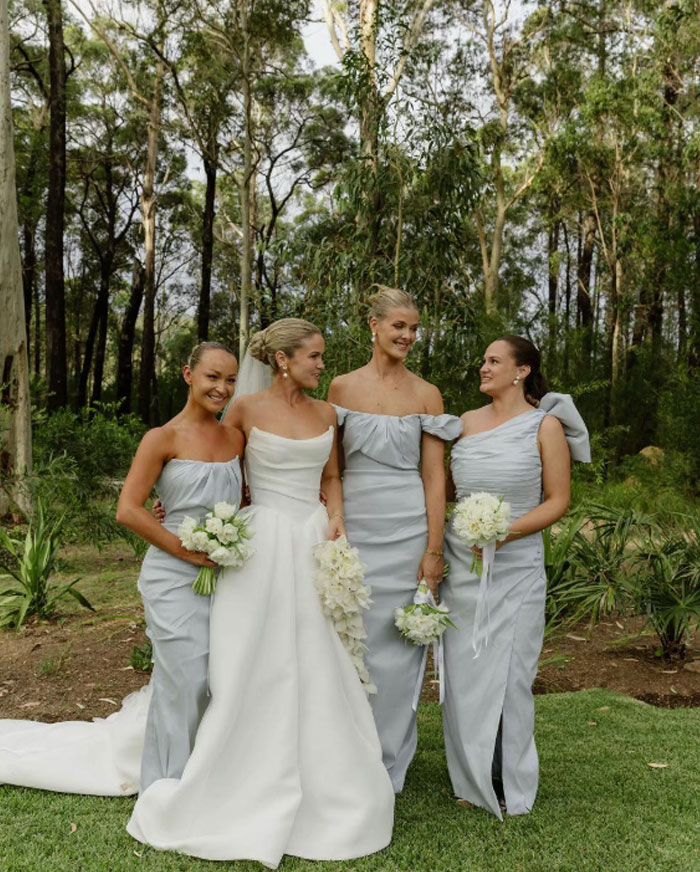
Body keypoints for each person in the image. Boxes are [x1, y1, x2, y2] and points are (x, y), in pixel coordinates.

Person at [127, 318, 394, 867]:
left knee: (318, 656)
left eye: (322, 356)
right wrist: (180, 513)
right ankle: (227, 764)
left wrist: (336, 520)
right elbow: (219, 465)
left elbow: (330, 477)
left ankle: (326, 773)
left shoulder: (326, 414)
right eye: (315, 356)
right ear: (282, 359)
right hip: (261, 544)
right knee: (250, 657)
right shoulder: (243, 412)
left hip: (313, 538)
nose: (323, 365)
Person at [0, 342, 243, 796]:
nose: (222, 388)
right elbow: (128, 510)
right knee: (184, 677)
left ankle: (206, 771)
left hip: (223, 575)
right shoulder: (161, 438)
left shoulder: (234, 437)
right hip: (172, 575)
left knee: (217, 676)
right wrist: (187, 551)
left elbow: (240, 497)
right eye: (213, 377)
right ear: (188, 374)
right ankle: (165, 785)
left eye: (230, 379)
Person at [441, 335, 591, 819]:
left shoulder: (544, 426)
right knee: (465, 674)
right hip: (464, 564)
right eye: (483, 359)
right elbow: (443, 488)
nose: (483, 367)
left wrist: (505, 531)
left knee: (511, 676)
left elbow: (558, 500)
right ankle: (470, 777)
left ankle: (509, 780)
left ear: (521, 371)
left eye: (494, 361)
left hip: (517, 564)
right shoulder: (464, 424)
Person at [327, 286, 462, 792]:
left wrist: (433, 550)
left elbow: (434, 477)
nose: (407, 335)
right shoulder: (339, 388)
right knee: (351, 640)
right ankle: (346, 754)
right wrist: (334, 524)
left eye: (413, 327)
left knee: (401, 647)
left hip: (408, 528)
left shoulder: (427, 395)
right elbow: (331, 468)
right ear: (373, 326)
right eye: (398, 326)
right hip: (356, 528)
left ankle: (388, 765)